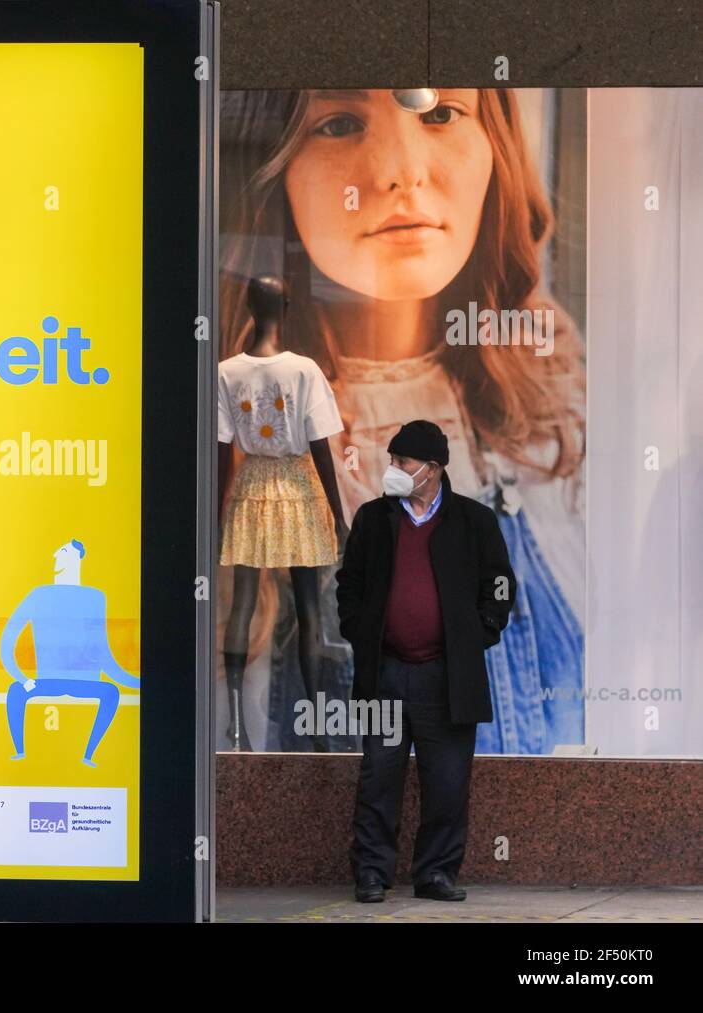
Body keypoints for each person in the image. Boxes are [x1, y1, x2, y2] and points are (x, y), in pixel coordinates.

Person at [220, 88, 585, 755]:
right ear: (268, 165)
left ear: (495, 144)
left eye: (441, 114)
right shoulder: (238, 438)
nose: (402, 171)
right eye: (338, 123)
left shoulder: (546, 416)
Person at [336, 420, 515, 902]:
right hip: (386, 674)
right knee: (379, 777)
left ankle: (435, 873)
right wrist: (358, 631)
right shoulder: (374, 520)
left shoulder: (475, 522)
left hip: (447, 677)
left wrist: (477, 635)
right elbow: (348, 585)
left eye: (403, 462)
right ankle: (372, 873)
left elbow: (499, 586)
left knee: (448, 781)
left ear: (432, 469)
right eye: (392, 460)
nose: (392, 469)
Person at [218, 275, 347, 752]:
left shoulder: (227, 370)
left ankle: (236, 722)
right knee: (310, 610)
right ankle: (313, 726)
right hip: (297, 485)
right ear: (286, 306)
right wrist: (338, 511)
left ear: (250, 306)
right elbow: (320, 446)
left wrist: (217, 517)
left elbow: (219, 452)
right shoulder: (303, 369)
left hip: (251, 485)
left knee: (243, 605)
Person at [0, 539, 139, 767]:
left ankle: (88, 755)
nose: (55, 555)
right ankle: (19, 753)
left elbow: (102, 650)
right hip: (46, 680)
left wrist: (136, 682)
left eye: (62, 551)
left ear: (76, 557)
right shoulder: (39, 595)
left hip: (84, 682)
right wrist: (22, 679)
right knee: (15, 691)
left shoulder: (95, 597)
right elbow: (7, 641)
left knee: (111, 692)